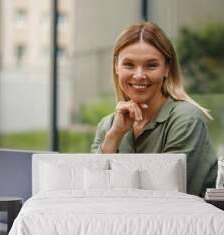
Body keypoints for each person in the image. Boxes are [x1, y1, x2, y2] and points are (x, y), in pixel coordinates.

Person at [90, 21, 217, 197]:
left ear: (167, 69)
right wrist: (114, 136)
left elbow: (171, 196)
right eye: (129, 64)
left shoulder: (186, 119)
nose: (139, 75)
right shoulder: (108, 125)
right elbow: (92, 194)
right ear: (116, 67)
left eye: (151, 65)